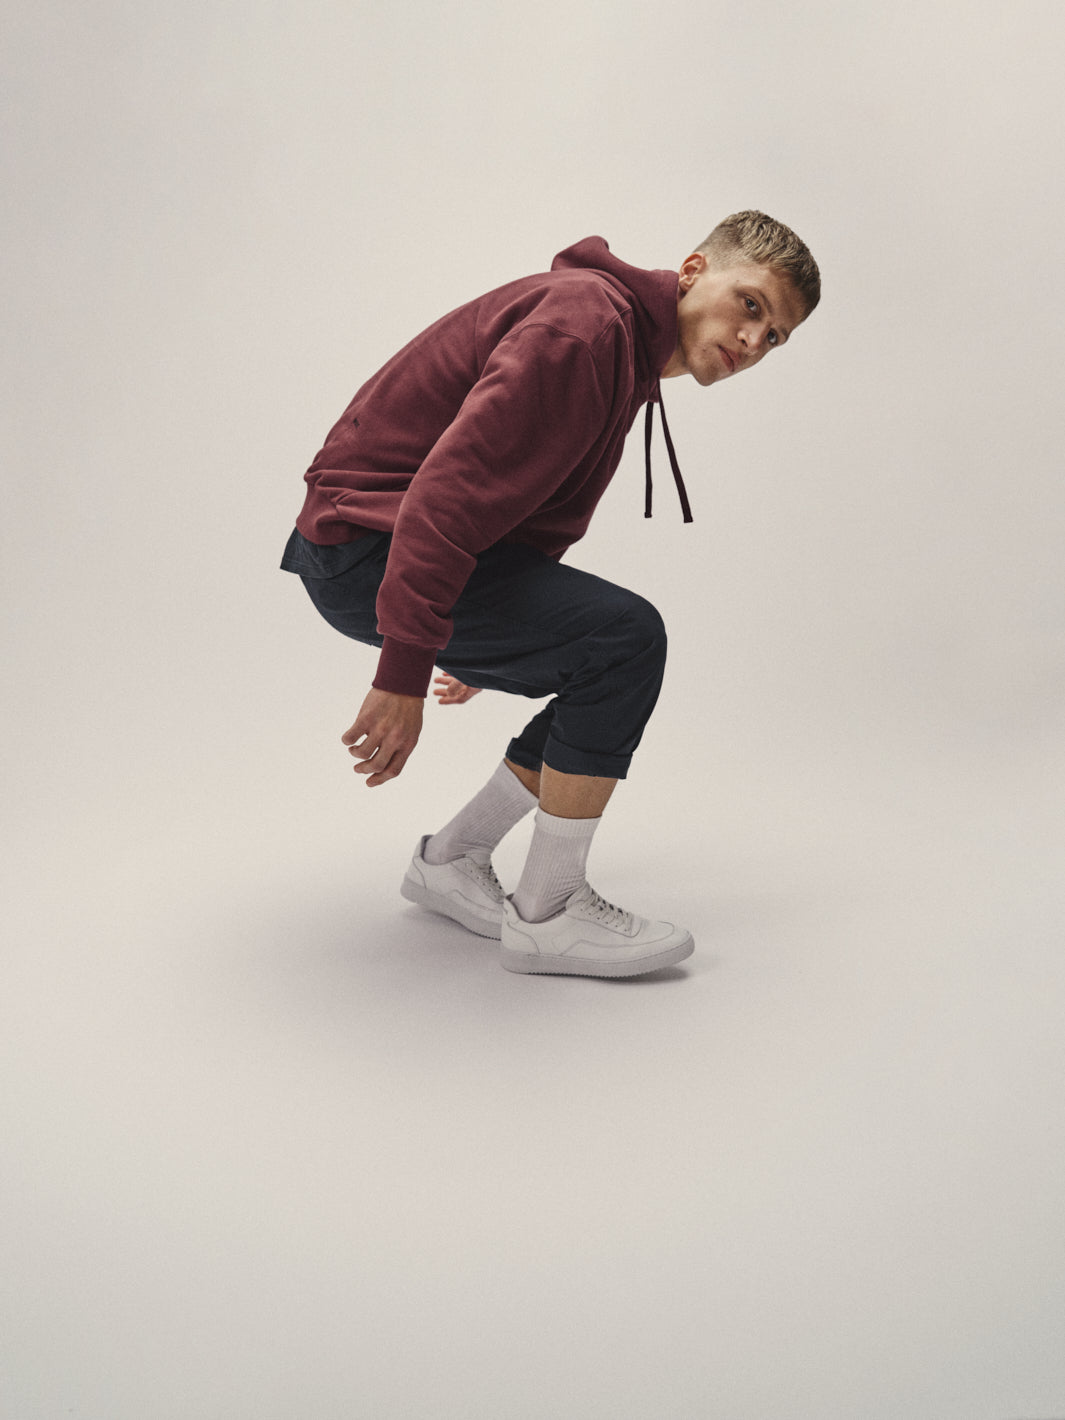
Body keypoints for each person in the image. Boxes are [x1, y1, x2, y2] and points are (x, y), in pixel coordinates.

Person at [281, 211, 820, 978]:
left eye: (775, 337)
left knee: (597, 655)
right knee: (623, 639)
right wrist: (404, 666)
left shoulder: (621, 350)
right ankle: (550, 912)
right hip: (368, 544)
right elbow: (446, 493)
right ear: (694, 270)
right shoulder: (585, 326)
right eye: (751, 304)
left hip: (384, 546)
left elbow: (526, 507)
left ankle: (453, 859)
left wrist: (482, 617)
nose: (753, 340)